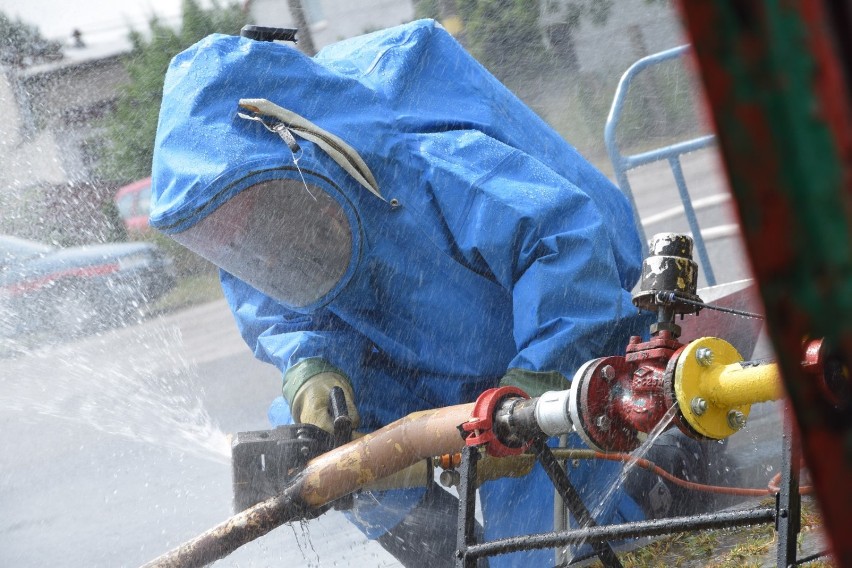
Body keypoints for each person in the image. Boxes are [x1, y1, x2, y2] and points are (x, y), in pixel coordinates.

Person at [149, 19, 716, 567]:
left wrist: (537, 385)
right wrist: (311, 371)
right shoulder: (265, 224)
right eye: (229, 231)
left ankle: (659, 474)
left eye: (253, 212)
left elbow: (567, 245)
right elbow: (284, 312)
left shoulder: (429, 168)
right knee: (322, 450)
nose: (251, 242)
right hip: (433, 370)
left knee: (536, 550)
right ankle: (452, 558)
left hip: (551, 348)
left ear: (298, 152)